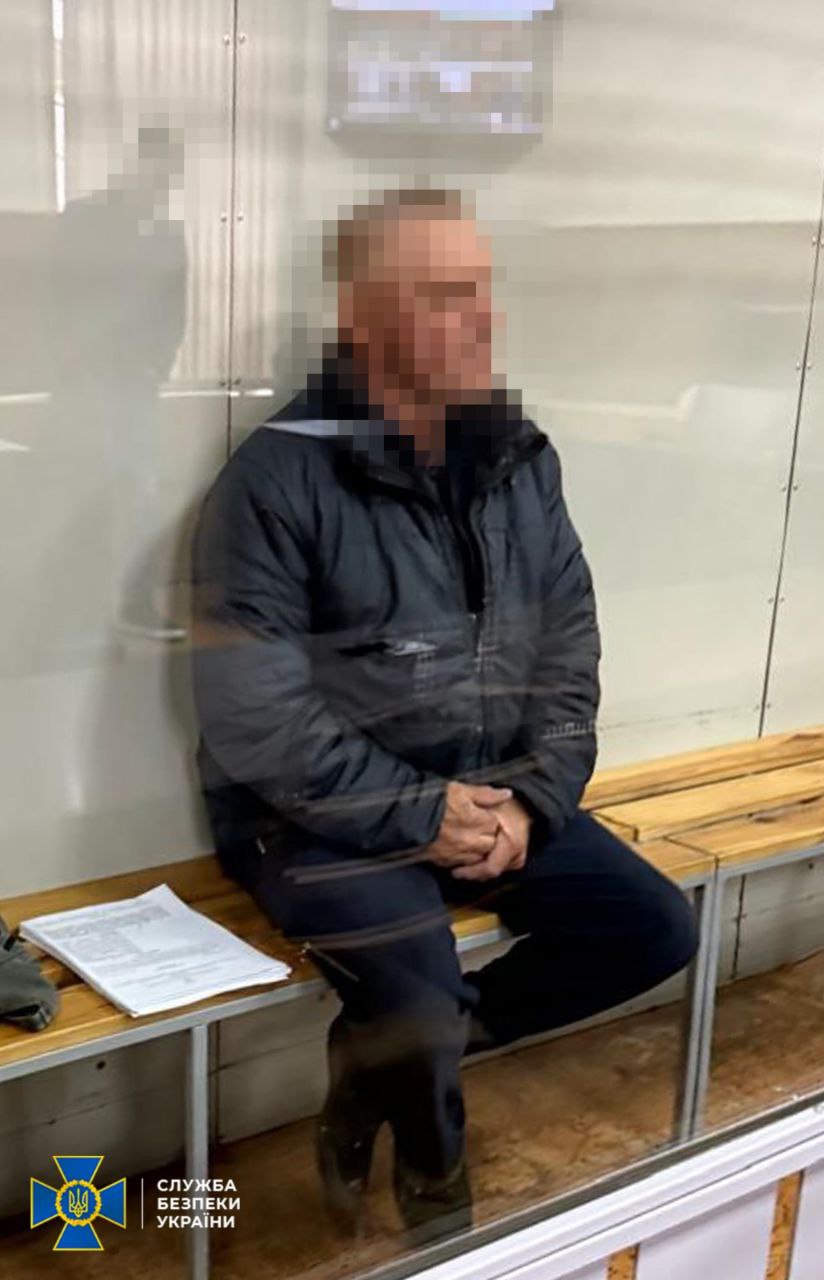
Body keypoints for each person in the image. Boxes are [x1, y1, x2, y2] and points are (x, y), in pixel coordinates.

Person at [188, 186, 699, 1246]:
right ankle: (441, 1218)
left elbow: (570, 650)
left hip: (492, 787)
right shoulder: (274, 480)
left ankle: (368, 1068)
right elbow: (256, 717)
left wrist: (529, 798)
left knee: (652, 928)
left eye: (483, 287)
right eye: (446, 293)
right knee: (416, 1000)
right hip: (311, 817)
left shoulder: (520, 458)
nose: (484, 316)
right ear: (360, 316)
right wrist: (420, 812)